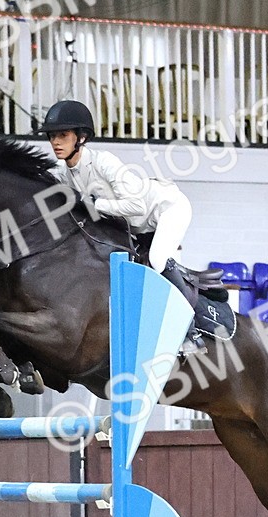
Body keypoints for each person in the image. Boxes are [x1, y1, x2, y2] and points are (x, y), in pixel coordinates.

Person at [40, 99, 217, 355]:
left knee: (158, 259)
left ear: (81, 137)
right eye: (52, 136)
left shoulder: (104, 162)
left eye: (63, 135)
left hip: (167, 209)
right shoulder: (63, 172)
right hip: (137, 228)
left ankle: (191, 333)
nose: (56, 142)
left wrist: (94, 203)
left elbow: (137, 206)